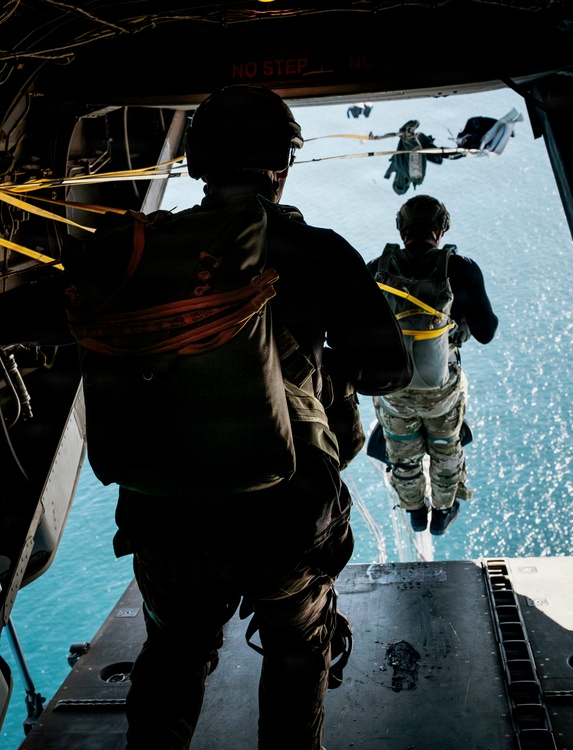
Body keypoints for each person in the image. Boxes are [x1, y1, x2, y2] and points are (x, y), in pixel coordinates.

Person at [103, 84, 413, 749]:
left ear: (195, 165)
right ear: (282, 166)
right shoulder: (318, 251)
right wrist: (325, 365)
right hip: (287, 516)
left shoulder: (142, 252)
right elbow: (391, 369)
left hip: (169, 517)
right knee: (299, 651)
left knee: (173, 659)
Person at [368, 195, 497, 536]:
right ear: (442, 229)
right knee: (445, 449)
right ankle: (442, 511)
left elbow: (354, 330)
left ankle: (414, 510)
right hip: (441, 389)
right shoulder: (463, 270)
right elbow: (486, 332)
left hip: (394, 387)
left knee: (402, 453)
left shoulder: (376, 269)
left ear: (401, 229)